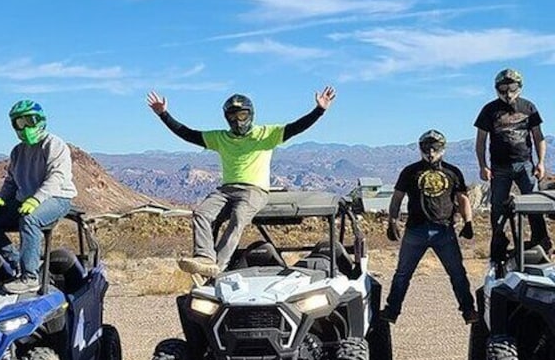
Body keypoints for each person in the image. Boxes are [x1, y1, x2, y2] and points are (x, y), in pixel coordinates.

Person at [146, 87, 336, 277]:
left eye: (242, 115)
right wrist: (163, 114)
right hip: (225, 190)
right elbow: (188, 134)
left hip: (254, 190)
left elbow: (297, 127)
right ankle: (205, 257)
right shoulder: (220, 138)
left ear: (250, 115)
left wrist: (319, 110)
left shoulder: (267, 134)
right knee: (202, 213)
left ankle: (218, 265)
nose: (238, 120)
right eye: (233, 116)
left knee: (238, 218)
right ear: (226, 117)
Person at [0, 100, 77, 294]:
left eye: (28, 121)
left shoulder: (54, 145)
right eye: (19, 123)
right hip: (25, 199)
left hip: (56, 198)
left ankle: (30, 277)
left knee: (30, 220)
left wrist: (36, 199)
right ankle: (17, 261)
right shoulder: (18, 151)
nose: (25, 128)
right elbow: (11, 181)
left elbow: (57, 177)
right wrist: (1, 199)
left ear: (40, 120)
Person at [381, 130, 477, 325]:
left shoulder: (453, 172)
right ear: (421, 149)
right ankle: (392, 311)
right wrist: (392, 221)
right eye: (427, 148)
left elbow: (462, 198)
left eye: (435, 148)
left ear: (442, 149)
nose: (431, 152)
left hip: (444, 230)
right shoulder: (410, 171)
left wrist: (468, 221)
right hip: (416, 230)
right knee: (402, 273)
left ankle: (468, 310)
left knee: (457, 272)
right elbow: (397, 198)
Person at [474, 68, 550, 261]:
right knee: (498, 208)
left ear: (519, 87)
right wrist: (483, 165)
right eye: (503, 88)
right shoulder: (489, 110)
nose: (508, 92)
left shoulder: (528, 107)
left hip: (525, 164)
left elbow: (538, 137)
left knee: (535, 205)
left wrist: (540, 162)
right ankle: (499, 246)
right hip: (499, 168)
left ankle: (541, 242)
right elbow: (481, 140)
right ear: (497, 88)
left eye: (512, 88)